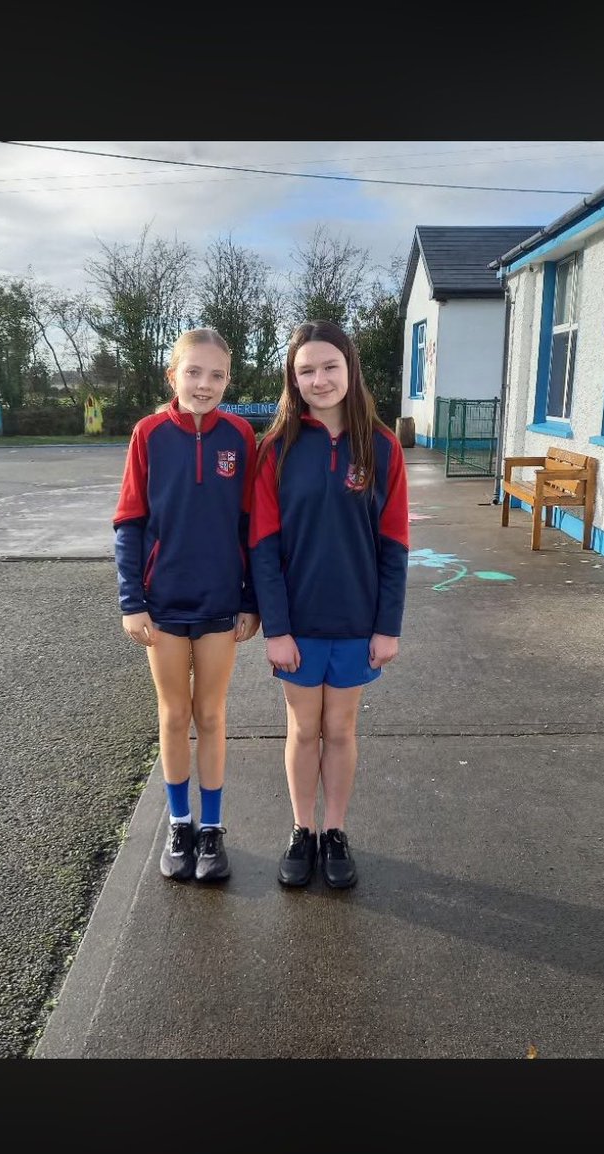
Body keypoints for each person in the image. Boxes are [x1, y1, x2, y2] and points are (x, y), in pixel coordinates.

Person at [249, 319, 409, 889]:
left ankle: (335, 831)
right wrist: (276, 629)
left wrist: (387, 626)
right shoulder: (276, 450)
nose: (319, 380)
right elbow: (263, 547)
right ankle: (303, 830)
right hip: (298, 625)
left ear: (350, 368)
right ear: (293, 380)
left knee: (340, 730)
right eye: (306, 370)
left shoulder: (382, 446)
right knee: (302, 729)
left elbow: (394, 544)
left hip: (358, 622)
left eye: (329, 366)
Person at [113, 328, 260, 884]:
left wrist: (250, 599)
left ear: (228, 380)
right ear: (172, 375)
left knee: (211, 715)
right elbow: (130, 521)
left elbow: (250, 525)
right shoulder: (149, 434)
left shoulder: (240, 436)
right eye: (193, 372)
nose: (204, 384)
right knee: (174, 715)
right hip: (164, 605)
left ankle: (213, 829)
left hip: (220, 603)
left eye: (217, 375)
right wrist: (133, 601)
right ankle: (180, 823)